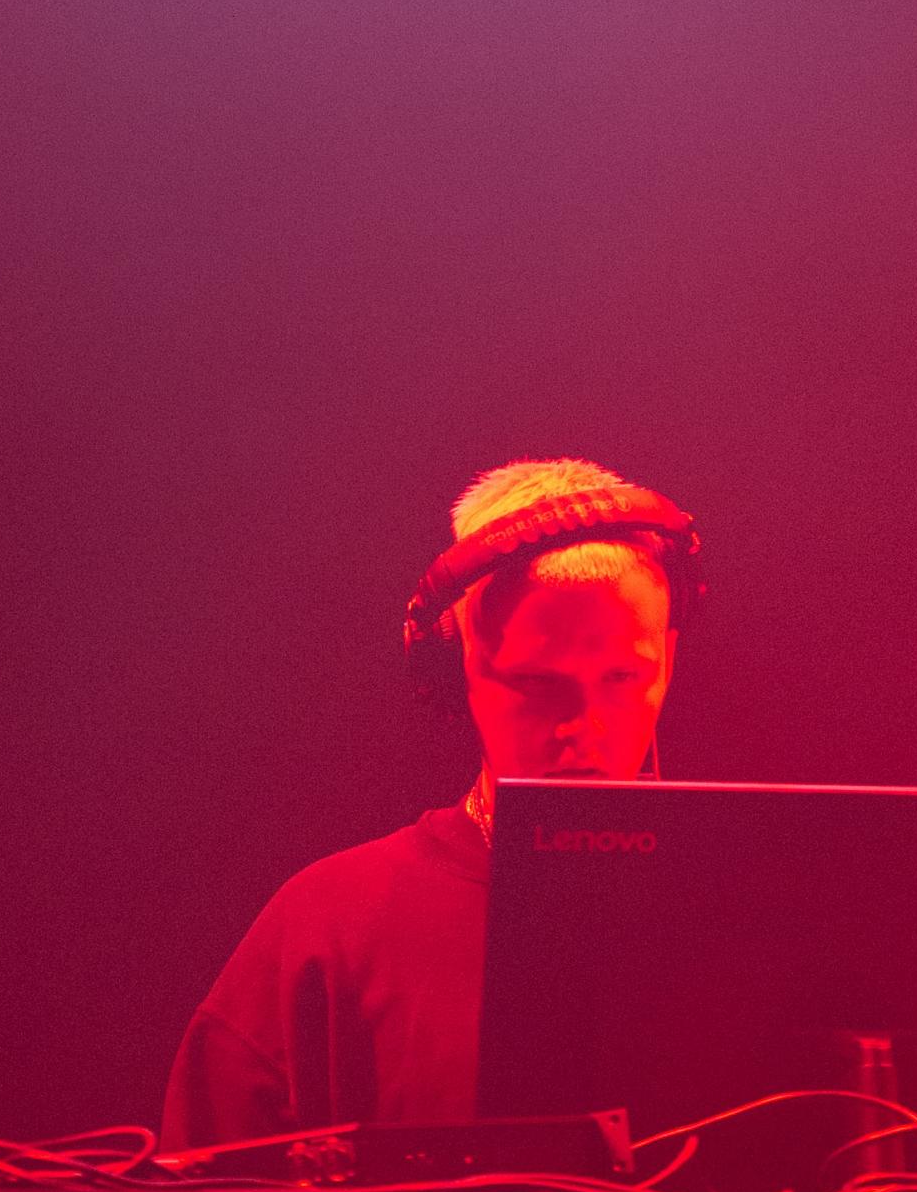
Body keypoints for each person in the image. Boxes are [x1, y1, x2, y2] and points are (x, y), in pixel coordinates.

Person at [160, 457, 699, 1149]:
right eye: (538, 683)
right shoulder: (326, 928)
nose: (583, 728)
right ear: (456, 669)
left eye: (622, 677)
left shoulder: (757, 906)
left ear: (668, 661)